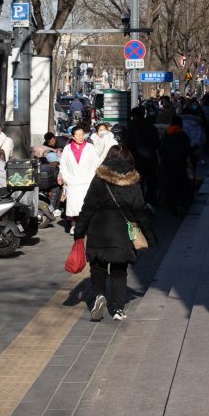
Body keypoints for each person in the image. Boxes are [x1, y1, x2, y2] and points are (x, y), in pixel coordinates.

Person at [74, 145, 156, 322]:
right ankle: (118, 309)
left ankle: (99, 297)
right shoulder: (133, 180)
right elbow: (140, 211)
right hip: (121, 234)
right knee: (119, 271)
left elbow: (88, 207)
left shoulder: (99, 178)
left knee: (97, 267)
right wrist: (149, 236)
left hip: (98, 231)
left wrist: (79, 231)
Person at [58, 124, 100, 234]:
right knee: (74, 206)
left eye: (83, 134)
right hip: (73, 181)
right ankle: (74, 225)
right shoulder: (67, 149)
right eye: (79, 135)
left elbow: (96, 163)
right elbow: (63, 165)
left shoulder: (90, 147)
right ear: (73, 136)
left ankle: (88, 225)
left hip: (87, 180)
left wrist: (91, 177)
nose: (81, 137)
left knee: (86, 205)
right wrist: (67, 178)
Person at [160, 116, 193, 215]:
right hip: (180, 164)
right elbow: (187, 150)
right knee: (182, 185)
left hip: (168, 164)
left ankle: (172, 206)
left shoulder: (166, 134)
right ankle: (181, 205)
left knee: (171, 185)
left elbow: (161, 149)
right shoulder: (183, 135)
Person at [128, 106, 160, 205]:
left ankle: (139, 200)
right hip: (150, 158)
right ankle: (151, 200)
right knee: (151, 180)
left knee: (138, 182)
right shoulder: (151, 127)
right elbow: (157, 143)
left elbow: (128, 144)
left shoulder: (131, 128)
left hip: (136, 159)